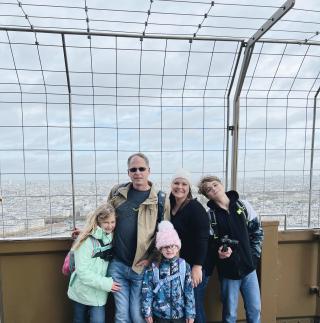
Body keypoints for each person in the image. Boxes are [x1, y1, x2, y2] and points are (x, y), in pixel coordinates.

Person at [107, 152, 170, 323]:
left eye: (141, 169)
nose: (137, 173)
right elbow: (104, 219)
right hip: (118, 264)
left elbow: (164, 234)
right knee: (121, 315)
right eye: (133, 169)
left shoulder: (160, 199)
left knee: (137, 315)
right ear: (128, 172)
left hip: (140, 267)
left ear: (149, 171)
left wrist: (152, 259)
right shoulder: (117, 194)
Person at [197, 176, 264, 323]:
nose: (213, 189)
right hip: (228, 272)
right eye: (209, 189)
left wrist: (253, 258)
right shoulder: (210, 217)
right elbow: (210, 245)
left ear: (221, 184)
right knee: (230, 314)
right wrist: (218, 252)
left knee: (255, 310)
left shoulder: (243, 206)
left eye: (215, 184)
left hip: (249, 269)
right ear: (206, 195)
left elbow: (257, 233)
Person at [67, 203, 121, 323]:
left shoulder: (111, 237)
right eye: (106, 222)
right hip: (82, 290)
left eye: (112, 222)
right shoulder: (86, 241)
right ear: (98, 222)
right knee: (79, 319)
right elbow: (82, 272)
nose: (110, 226)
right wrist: (107, 284)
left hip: (98, 292)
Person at [169, 169, 210, 323]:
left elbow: (203, 238)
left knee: (194, 307)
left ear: (189, 187)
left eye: (184, 184)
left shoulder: (195, 209)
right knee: (184, 307)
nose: (180, 187)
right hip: (178, 266)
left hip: (194, 266)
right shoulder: (170, 205)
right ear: (171, 185)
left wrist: (197, 266)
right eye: (176, 183)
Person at [141, 220, 195, 323]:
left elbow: (189, 291)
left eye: (172, 246)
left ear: (177, 247)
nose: (169, 250)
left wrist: (190, 313)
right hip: (160, 316)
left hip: (179, 315)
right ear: (160, 249)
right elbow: (147, 290)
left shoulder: (184, 266)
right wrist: (147, 312)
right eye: (166, 246)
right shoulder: (154, 267)